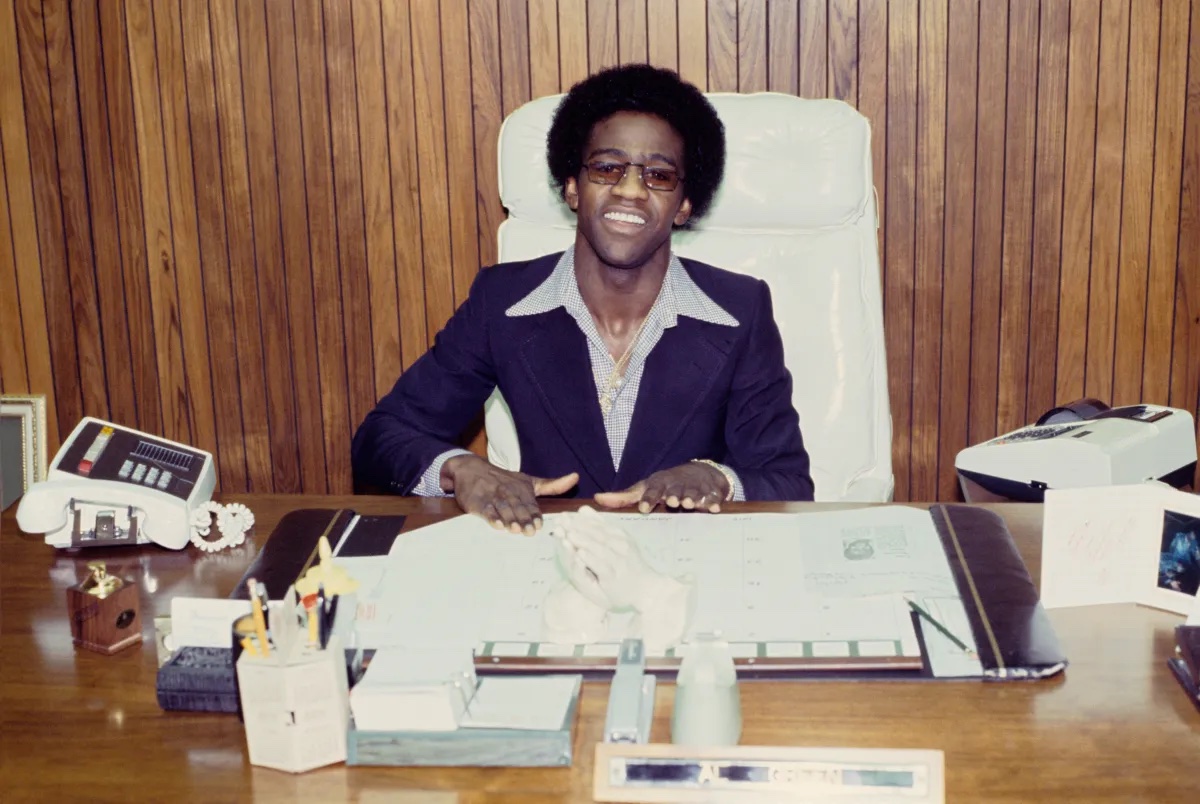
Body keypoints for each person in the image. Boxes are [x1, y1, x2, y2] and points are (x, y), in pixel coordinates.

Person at [352, 64, 813, 534]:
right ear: (572, 186)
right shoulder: (504, 302)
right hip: (547, 562)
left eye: (658, 175)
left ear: (685, 205)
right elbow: (381, 437)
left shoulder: (740, 310)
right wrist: (460, 468)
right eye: (607, 167)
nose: (630, 190)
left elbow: (788, 480)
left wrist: (717, 478)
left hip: (686, 576)